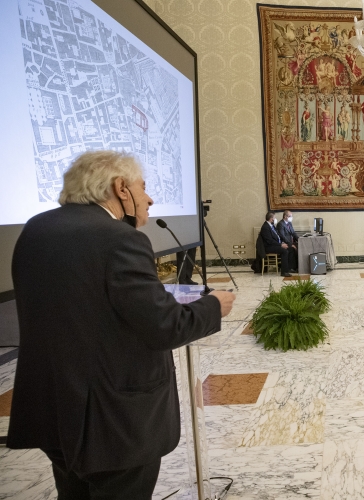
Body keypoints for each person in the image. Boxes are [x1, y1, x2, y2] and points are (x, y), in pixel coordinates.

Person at [8, 150, 236, 499]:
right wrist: (213, 306)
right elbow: (165, 327)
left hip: (54, 410)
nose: (150, 197)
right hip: (114, 421)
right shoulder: (120, 239)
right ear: (120, 188)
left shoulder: (36, 229)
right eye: (143, 187)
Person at [260, 211, 292, 276]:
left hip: (275, 244)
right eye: (275, 217)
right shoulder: (265, 227)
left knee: (290, 248)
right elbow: (270, 241)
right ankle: (284, 272)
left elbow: (277, 236)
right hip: (269, 247)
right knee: (284, 251)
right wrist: (281, 245)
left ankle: (289, 268)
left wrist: (282, 242)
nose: (275, 219)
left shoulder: (271, 225)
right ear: (271, 218)